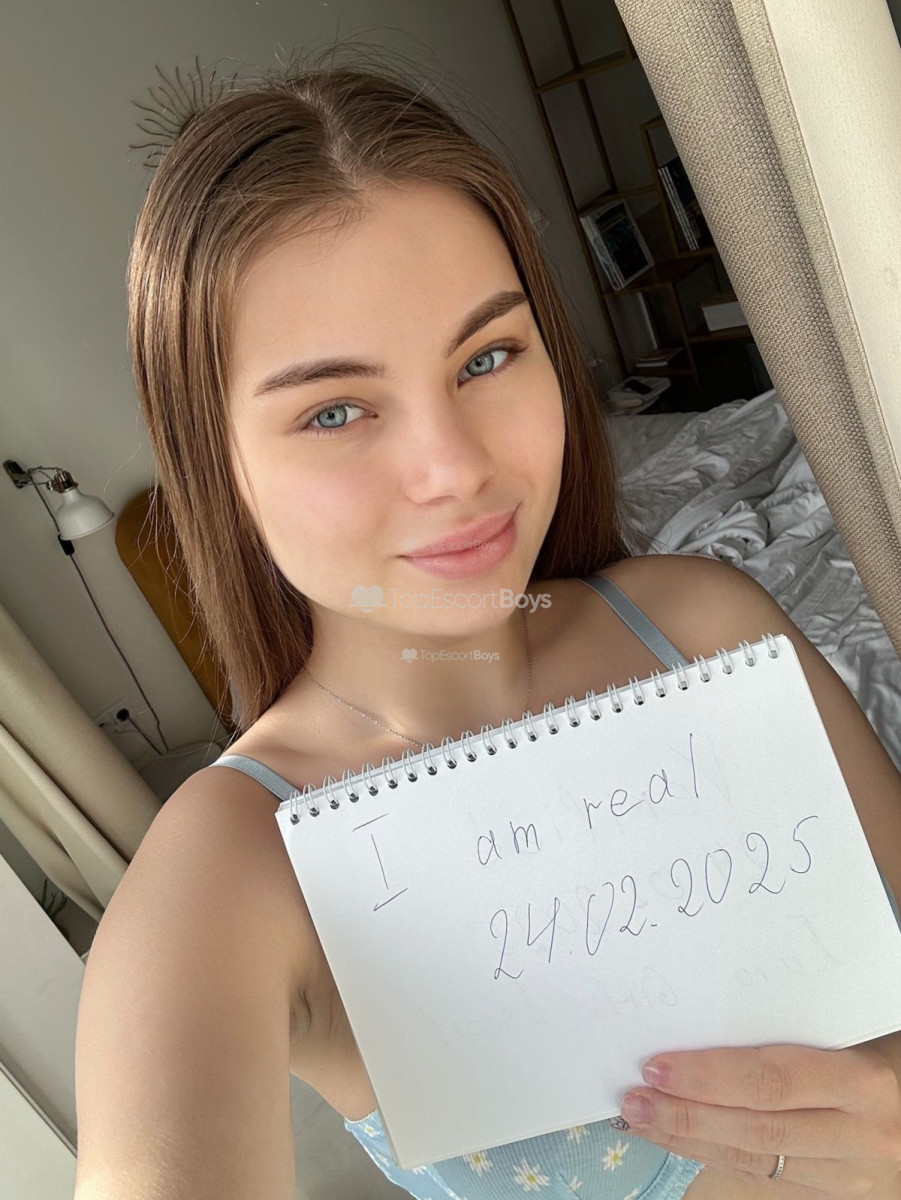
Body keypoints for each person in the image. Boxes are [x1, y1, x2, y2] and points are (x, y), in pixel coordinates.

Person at [73, 45, 901, 1200]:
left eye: (488, 355)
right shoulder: (237, 868)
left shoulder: (709, 627)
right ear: (220, 469)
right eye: (336, 410)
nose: (453, 467)